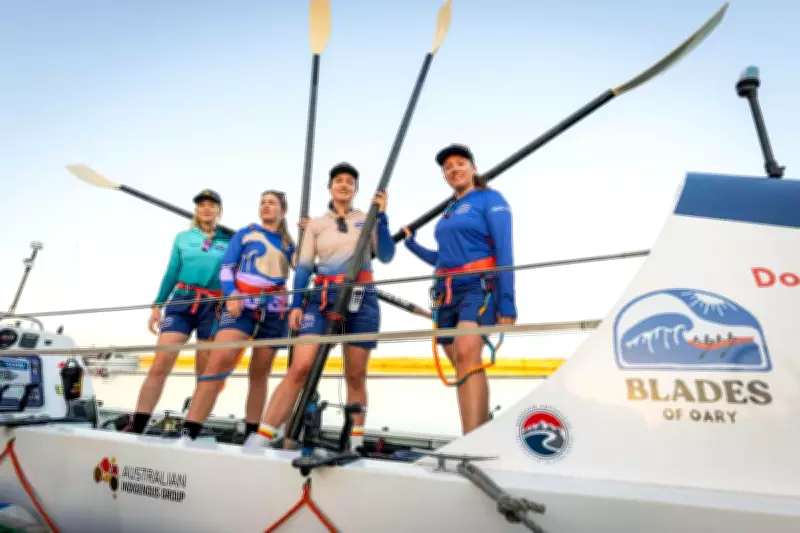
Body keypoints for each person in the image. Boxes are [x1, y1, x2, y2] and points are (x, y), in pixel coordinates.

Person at [244, 162, 395, 450]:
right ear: (330, 187)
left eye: (350, 182)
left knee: (355, 374)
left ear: (355, 190)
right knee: (300, 366)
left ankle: (354, 443)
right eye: (338, 180)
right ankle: (261, 437)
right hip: (322, 298)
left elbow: (386, 255)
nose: (344, 185)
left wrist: (383, 217)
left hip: (361, 298)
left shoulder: (368, 218)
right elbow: (302, 268)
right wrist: (296, 305)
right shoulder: (315, 224)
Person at [401, 144, 516, 435]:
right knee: (462, 363)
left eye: (460, 163)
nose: (454, 169)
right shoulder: (449, 211)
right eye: (448, 167)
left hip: (479, 285)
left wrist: (507, 301)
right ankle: (477, 430)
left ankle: (474, 439)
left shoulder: (490, 199)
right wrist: (412, 244)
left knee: (467, 354)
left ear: (474, 169)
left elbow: (504, 249)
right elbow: (443, 259)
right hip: (446, 291)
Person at [180, 190, 295, 441]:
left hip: (275, 311)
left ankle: (252, 434)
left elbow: (306, 267)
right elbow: (226, 268)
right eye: (262, 202)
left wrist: (307, 236)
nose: (265, 206)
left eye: (272, 203)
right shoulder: (244, 233)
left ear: (283, 211)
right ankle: (189, 429)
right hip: (241, 306)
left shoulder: (289, 244)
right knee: (217, 363)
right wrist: (231, 294)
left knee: (260, 373)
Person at [128, 189, 229, 434]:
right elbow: (172, 271)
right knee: (160, 363)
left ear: (219, 210)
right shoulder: (183, 238)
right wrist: (157, 305)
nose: (206, 208)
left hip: (213, 305)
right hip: (182, 301)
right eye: (201, 205)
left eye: (211, 205)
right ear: (196, 210)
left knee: (204, 372)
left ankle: (192, 428)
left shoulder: (230, 239)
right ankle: (138, 426)